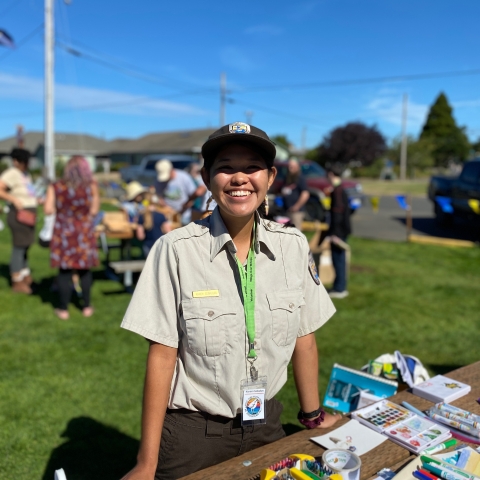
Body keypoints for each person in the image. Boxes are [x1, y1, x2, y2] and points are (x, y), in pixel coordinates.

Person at [120, 122, 340, 480]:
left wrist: (312, 415)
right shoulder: (175, 251)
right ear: (207, 178)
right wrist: (146, 463)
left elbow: (305, 337)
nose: (240, 178)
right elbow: (161, 355)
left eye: (252, 167)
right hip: (195, 434)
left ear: (269, 177)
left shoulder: (293, 246)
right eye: (225, 167)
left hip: (267, 425)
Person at [44, 156, 100, 320]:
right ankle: (87, 307)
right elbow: (94, 211)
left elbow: (48, 210)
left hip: (63, 232)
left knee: (64, 270)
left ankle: (63, 309)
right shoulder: (91, 186)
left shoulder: (56, 186)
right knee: (84, 269)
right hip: (83, 231)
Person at [0, 148, 37, 294]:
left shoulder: (25, 174)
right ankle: (16, 280)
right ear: (15, 161)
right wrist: (13, 199)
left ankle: (25, 275)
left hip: (29, 214)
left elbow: (28, 192)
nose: (26, 165)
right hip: (18, 215)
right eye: (23, 162)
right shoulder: (11, 173)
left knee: (26, 245)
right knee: (19, 246)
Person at [123, 181, 172, 258]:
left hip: (148, 248)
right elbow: (169, 232)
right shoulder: (161, 215)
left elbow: (140, 236)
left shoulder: (141, 216)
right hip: (161, 246)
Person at [326, 163, 351, 299]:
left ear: (331, 175)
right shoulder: (340, 189)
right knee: (338, 258)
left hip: (339, 232)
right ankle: (338, 285)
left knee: (338, 259)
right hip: (342, 230)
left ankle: (340, 288)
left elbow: (338, 214)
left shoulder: (337, 191)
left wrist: (334, 234)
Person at [281, 157, 310, 230]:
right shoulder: (287, 177)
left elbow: (305, 194)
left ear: (297, 167)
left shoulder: (300, 178)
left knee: (295, 231)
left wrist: (296, 206)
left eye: (292, 167)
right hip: (286, 210)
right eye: (289, 167)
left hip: (296, 212)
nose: (290, 168)